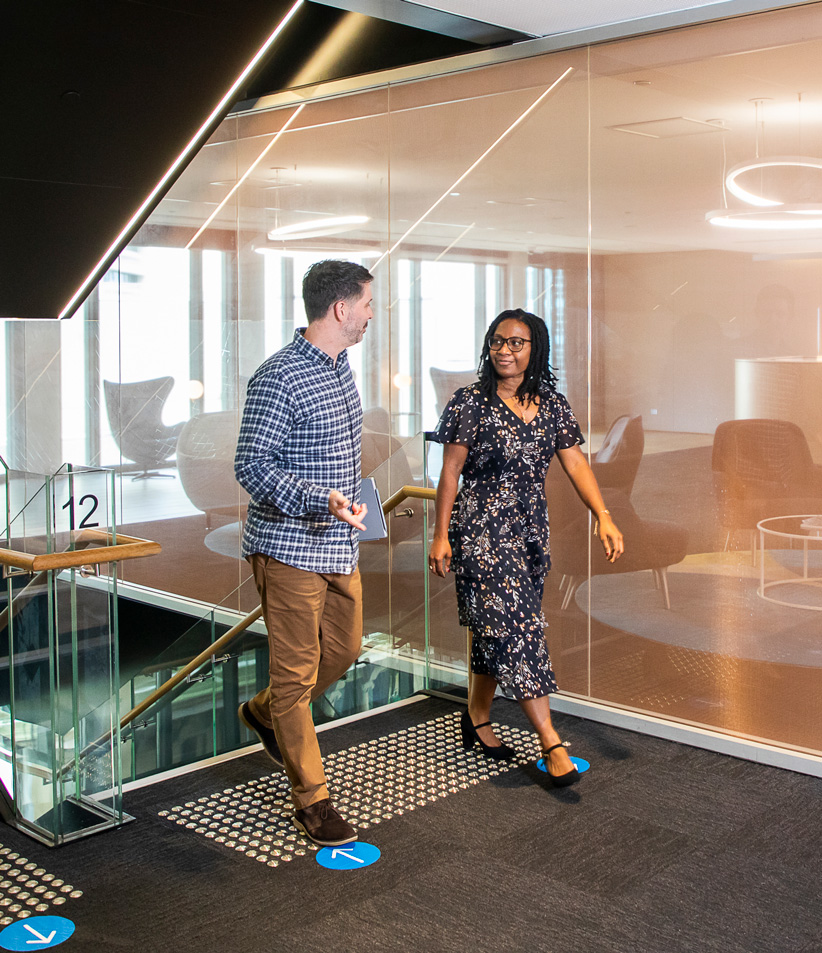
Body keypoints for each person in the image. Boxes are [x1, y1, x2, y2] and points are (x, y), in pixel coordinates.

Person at [428, 308, 624, 786]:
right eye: (497, 341)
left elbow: (576, 464)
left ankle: (477, 718)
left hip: (530, 534)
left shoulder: (551, 404)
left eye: (516, 343)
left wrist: (603, 514)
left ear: (535, 349)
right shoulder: (469, 402)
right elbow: (450, 473)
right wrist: (440, 534)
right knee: (520, 630)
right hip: (481, 533)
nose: (504, 351)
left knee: (497, 628)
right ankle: (551, 743)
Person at [234, 259, 374, 846]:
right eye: (367, 304)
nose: (370, 315)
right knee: (295, 677)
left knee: (343, 651)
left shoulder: (341, 370)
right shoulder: (279, 377)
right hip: (288, 547)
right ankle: (312, 801)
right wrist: (320, 499)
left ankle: (264, 712)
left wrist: (348, 504)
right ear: (340, 308)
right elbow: (250, 466)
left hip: (340, 543)